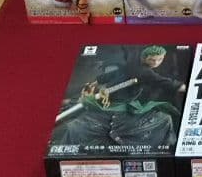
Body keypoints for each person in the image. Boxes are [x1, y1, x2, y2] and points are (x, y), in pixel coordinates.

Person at [51, 45, 186, 149]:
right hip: (117, 106)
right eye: (152, 59)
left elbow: (109, 76)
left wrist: (96, 82)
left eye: (160, 59)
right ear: (144, 58)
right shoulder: (145, 72)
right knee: (165, 118)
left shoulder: (131, 65)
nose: (156, 62)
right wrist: (181, 87)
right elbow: (165, 82)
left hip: (118, 101)